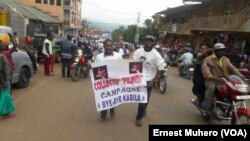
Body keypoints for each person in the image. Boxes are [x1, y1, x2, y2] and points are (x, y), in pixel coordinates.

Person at [202, 43, 244, 114]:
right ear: (215, 51)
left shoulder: (225, 60)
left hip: (224, 81)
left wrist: (242, 76)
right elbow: (205, 70)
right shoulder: (208, 59)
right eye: (219, 50)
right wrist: (211, 77)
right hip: (212, 80)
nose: (222, 52)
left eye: (223, 50)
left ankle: (227, 105)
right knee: (212, 88)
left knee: (234, 89)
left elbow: (233, 69)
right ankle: (207, 107)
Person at [133, 35, 165, 127]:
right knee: (142, 99)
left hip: (149, 80)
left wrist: (153, 81)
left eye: (151, 41)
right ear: (144, 41)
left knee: (144, 99)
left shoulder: (156, 54)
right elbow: (133, 63)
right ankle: (142, 111)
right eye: (147, 40)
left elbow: (160, 68)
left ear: (153, 43)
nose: (149, 42)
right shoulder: (138, 51)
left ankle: (138, 118)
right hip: (138, 79)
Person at [95, 39, 122, 121]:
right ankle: (103, 115)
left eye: (110, 45)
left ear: (113, 46)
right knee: (103, 98)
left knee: (113, 97)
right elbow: (96, 68)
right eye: (106, 45)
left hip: (114, 82)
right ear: (104, 46)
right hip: (103, 82)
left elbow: (122, 67)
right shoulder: (99, 57)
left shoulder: (118, 56)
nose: (108, 47)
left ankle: (112, 109)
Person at [192, 42, 213, 108]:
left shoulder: (211, 56)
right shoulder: (199, 54)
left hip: (208, 72)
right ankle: (198, 99)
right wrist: (206, 51)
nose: (202, 50)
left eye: (203, 49)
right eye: (201, 48)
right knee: (199, 84)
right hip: (198, 72)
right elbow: (199, 57)